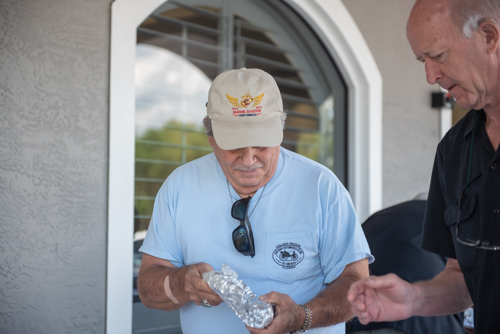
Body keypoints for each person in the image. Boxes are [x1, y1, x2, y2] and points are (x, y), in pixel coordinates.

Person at [137, 67, 373, 334]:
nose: (249, 159)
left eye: (261, 143)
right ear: (211, 136)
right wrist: (181, 284)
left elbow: (356, 286)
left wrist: (301, 317)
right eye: (235, 144)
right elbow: (148, 288)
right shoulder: (180, 185)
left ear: (280, 129)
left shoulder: (321, 187)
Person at [347, 0, 500, 333]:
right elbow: (462, 278)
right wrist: (414, 299)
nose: (431, 76)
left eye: (439, 56)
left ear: (489, 36)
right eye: (422, 61)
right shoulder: (455, 149)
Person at [346, 195, 465, 334]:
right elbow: (470, 279)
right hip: (422, 318)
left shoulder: (380, 216)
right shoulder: (450, 219)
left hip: (360, 313)